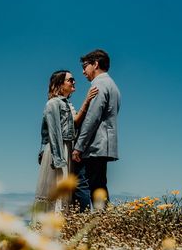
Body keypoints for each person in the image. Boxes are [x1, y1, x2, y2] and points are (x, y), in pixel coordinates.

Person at [34, 70, 97, 213]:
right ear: (60, 84)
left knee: (64, 192)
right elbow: (54, 132)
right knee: (56, 188)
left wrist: (87, 101)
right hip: (57, 150)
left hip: (66, 149)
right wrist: (59, 160)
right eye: (70, 80)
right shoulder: (52, 103)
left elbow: (75, 121)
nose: (74, 82)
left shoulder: (67, 104)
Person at [72, 49, 121, 211]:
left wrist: (79, 146)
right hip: (106, 144)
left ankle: (81, 222)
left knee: (81, 184)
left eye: (85, 66)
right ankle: (105, 221)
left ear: (96, 64)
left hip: (95, 145)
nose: (83, 71)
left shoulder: (99, 84)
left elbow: (91, 119)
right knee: (99, 186)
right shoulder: (113, 85)